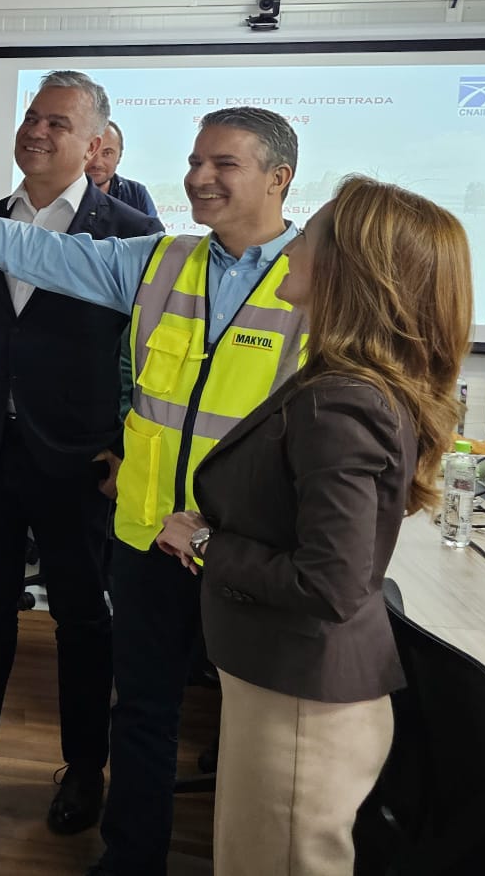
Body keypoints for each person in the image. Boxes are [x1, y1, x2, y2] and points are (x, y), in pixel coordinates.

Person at [0, 106, 308, 876]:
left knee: (263, 733)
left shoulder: (321, 282)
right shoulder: (160, 260)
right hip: (150, 533)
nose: (199, 178)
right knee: (143, 712)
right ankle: (130, 859)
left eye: (224, 164)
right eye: (195, 161)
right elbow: (34, 251)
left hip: (249, 549)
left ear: (280, 178)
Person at [153, 176, 469, 876]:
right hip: (286, 691)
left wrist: (205, 544)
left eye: (311, 234)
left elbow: (330, 582)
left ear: (351, 269)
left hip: (299, 710)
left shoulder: (341, 403)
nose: (293, 244)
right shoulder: (344, 385)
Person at [0, 72, 161, 835]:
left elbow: (150, 356)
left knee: (82, 617)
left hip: (79, 458)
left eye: (58, 123)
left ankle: (83, 770)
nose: (37, 132)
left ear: (95, 144)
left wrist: (126, 447)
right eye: (31, 118)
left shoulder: (129, 234)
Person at [89, 121, 160, 224]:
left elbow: (154, 233)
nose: (97, 163)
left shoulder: (136, 193)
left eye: (107, 153)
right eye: (91, 151)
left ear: (119, 156)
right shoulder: (64, 192)